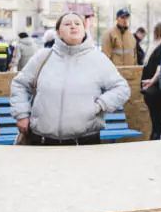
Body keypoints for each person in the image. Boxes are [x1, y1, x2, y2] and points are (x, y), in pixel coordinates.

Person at [9, 12, 131, 146]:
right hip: (42, 142)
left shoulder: (98, 59)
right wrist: (21, 114)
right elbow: (19, 84)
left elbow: (122, 88)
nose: (73, 26)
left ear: (84, 30)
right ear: (58, 32)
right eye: (67, 24)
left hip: (84, 143)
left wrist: (99, 105)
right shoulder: (43, 57)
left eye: (77, 23)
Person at [140, 21, 161, 140]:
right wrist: (152, 81)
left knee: (156, 126)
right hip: (159, 93)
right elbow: (160, 69)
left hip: (150, 94)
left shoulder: (152, 48)